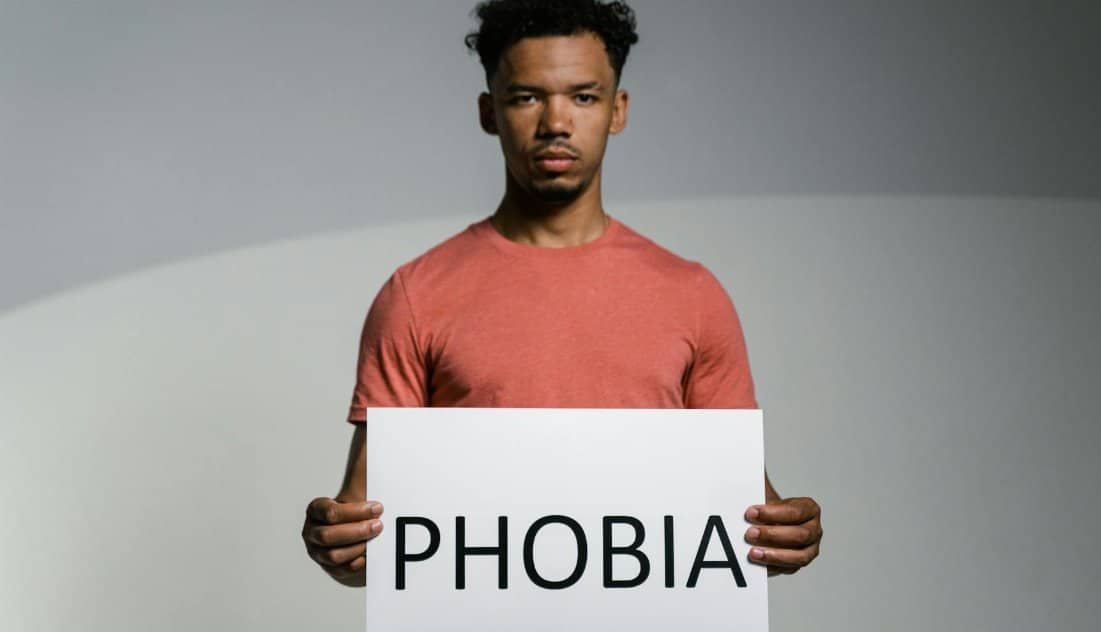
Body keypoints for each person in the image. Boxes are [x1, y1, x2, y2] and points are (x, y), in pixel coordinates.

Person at [301, 0, 822, 588]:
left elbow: (746, 512)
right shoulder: (416, 295)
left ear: (617, 110)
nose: (555, 122)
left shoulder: (692, 296)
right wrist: (337, 542)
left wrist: (786, 533)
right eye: (526, 97)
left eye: (583, 96)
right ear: (489, 112)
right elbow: (365, 529)